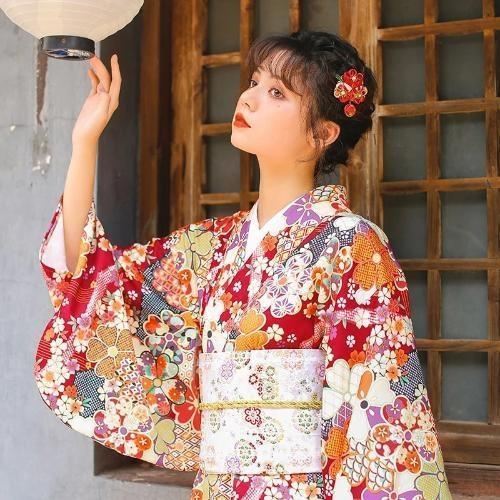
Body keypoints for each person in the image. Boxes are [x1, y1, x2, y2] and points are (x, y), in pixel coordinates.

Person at [34, 30, 452, 499]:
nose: (248, 98)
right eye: (254, 82)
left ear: (323, 133)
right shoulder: (214, 247)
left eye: (276, 92)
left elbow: (378, 405)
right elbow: (94, 280)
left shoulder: (352, 244)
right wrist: (85, 141)